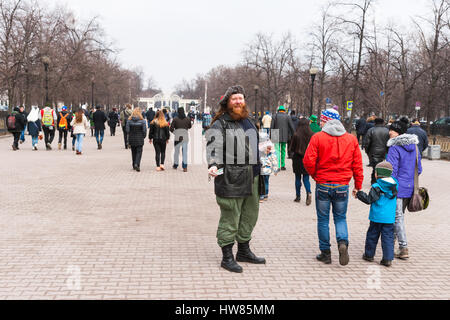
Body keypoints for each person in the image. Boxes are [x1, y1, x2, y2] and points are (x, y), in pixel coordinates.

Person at [206, 85, 265, 274]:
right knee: (231, 216)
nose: (238, 101)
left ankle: (244, 251)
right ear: (227, 102)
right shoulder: (221, 123)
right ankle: (227, 256)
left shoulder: (249, 120)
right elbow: (213, 146)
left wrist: (264, 149)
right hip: (232, 177)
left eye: (240, 98)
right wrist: (213, 164)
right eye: (234, 99)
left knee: (249, 215)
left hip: (254, 176)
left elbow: (253, 145)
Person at [304, 108, 364, 266]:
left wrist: (315, 175)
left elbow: (308, 161)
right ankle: (342, 242)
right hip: (342, 186)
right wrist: (357, 185)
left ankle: (325, 253)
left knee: (323, 220)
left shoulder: (318, 137)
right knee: (340, 218)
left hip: (323, 183)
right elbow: (357, 165)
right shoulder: (351, 139)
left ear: (326, 120)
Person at [386, 117, 422, 260]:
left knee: (397, 217)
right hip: (410, 188)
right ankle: (392, 243)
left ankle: (403, 246)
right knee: (399, 216)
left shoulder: (395, 148)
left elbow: (391, 170)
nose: (390, 132)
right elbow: (418, 169)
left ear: (399, 133)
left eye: (393, 130)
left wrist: (389, 185)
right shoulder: (415, 147)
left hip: (397, 188)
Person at [356, 161, 398, 267]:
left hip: (376, 217)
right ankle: (387, 259)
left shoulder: (376, 186)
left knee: (372, 236)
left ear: (377, 174)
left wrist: (359, 194)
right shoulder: (395, 185)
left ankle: (369, 255)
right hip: (389, 218)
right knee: (388, 237)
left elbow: (369, 199)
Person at [289, 118, 314, 205]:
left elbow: (291, 148)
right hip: (307, 159)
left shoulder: (296, 135)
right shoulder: (312, 135)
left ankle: (298, 196)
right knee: (306, 178)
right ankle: (309, 192)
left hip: (297, 158)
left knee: (297, 178)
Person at [363, 118, 390, 185]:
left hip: (373, 151)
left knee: (375, 167)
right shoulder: (387, 130)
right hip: (383, 151)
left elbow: (367, 143)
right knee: (380, 166)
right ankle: (379, 181)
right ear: (383, 122)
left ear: (375, 122)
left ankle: (374, 181)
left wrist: (367, 151)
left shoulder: (371, 130)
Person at [270, 105, 295, 171]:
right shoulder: (287, 117)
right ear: (284, 111)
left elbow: (272, 127)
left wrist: (270, 136)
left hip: (275, 134)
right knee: (283, 150)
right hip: (284, 135)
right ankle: (283, 165)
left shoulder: (274, 116)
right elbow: (291, 127)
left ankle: (277, 166)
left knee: (277, 150)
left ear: (278, 110)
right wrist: (294, 134)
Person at [170, 107, 192, 172]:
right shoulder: (188, 119)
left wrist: (175, 132)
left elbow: (171, 128)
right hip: (185, 137)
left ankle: (175, 165)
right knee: (184, 152)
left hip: (177, 137)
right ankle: (185, 167)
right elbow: (190, 126)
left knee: (176, 152)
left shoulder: (175, 119)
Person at [259, 132, 279, 202]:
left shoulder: (260, 149)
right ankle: (266, 195)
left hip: (261, 169)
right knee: (266, 182)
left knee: (262, 182)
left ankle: (261, 195)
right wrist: (275, 170)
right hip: (267, 169)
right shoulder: (271, 150)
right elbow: (274, 161)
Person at [126, 107, 147, 172]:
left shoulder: (129, 120)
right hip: (139, 138)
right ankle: (137, 164)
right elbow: (144, 131)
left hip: (132, 138)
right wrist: (143, 137)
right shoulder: (143, 121)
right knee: (139, 152)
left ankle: (134, 164)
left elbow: (127, 130)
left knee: (133, 152)